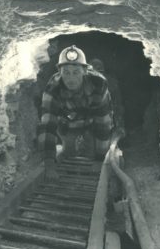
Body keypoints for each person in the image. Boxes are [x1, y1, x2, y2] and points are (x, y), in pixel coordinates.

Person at [37, 45, 114, 179]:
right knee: (68, 153)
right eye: (66, 72)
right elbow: (47, 126)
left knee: (91, 152)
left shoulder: (98, 84)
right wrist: (49, 165)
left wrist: (99, 159)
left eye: (76, 72)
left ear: (85, 71)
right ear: (60, 72)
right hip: (67, 123)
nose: (71, 78)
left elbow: (103, 123)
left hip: (91, 124)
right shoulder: (53, 88)